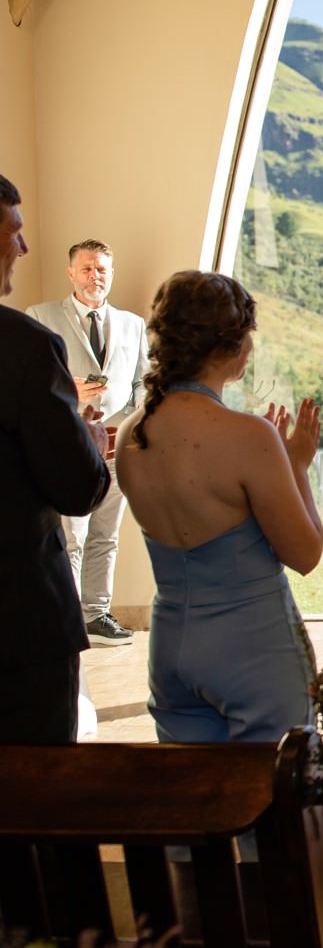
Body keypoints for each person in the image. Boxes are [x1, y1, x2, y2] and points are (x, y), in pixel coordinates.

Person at [114, 271, 323, 743]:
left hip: (171, 643)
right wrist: (297, 465)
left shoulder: (133, 431)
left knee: (193, 803)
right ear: (230, 344)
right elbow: (305, 554)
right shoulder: (248, 436)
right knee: (283, 800)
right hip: (252, 646)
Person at [0, 172, 112, 743]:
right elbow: (74, 487)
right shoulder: (22, 345)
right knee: (36, 797)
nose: (21, 247)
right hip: (17, 621)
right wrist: (88, 444)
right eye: (13, 231)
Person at [27, 239, 150, 646]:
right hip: (69, 447)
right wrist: (68, 390)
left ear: (110, 273)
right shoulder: (41, 317)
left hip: (117, 449)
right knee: (72, 536)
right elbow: (30, 384)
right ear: (71, 273)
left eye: (101, 269)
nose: (95, 276)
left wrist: (137, 422)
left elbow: (142, 383)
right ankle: (64, 617)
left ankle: (96, 615)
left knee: (105, 535)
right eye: (86, 269)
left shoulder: (133, 324)